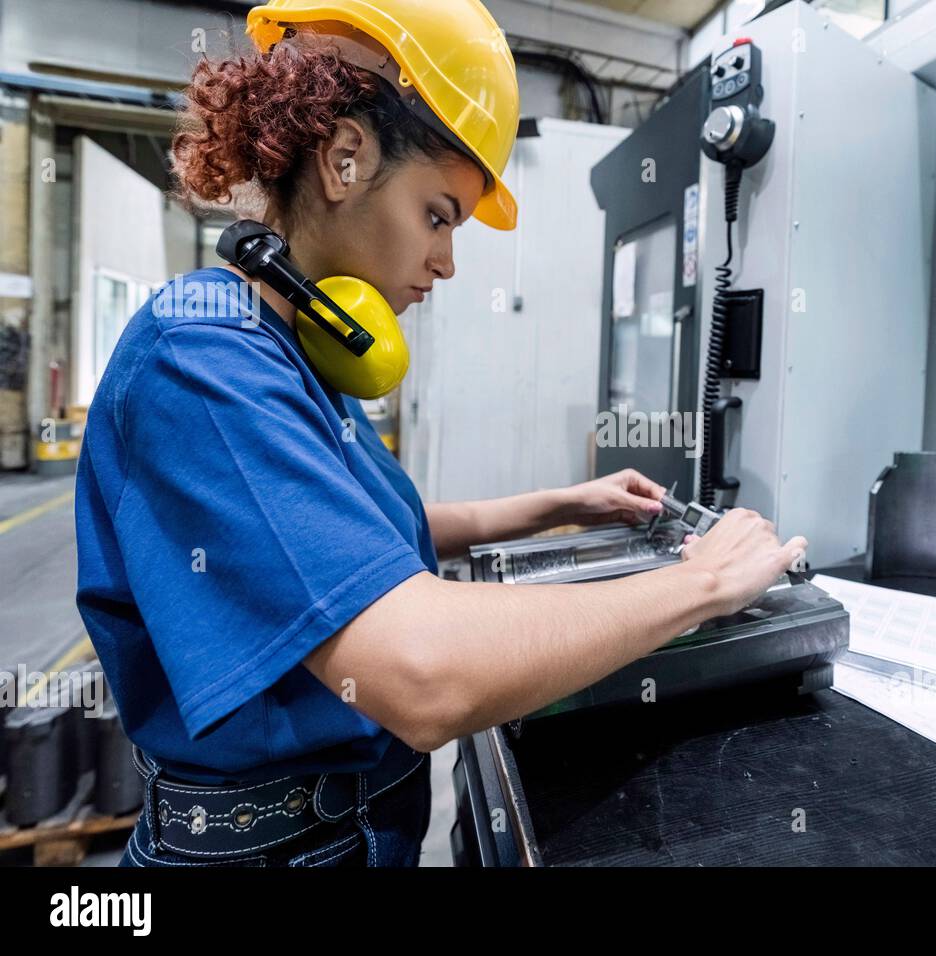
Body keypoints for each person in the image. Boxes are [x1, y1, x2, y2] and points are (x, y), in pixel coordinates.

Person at [74, 0, 805, 867]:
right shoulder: (201, 361)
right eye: (438, 214)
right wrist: (703, 584)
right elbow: (419, 670)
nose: (448, 261)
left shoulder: (295, 347)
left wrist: (557, 506)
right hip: (271, 851)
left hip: (349, 829)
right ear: (346, 158)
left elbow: (344, 549)